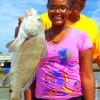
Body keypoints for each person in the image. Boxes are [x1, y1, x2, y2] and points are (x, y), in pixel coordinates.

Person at [34, 0, 95, 99]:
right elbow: (29, 76)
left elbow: (87, 77)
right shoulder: (36, 38)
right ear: (48, 9)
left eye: (62, 8)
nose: (57, 11)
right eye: (52, 7)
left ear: (69, 10)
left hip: (73, 97)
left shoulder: (81, 37)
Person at [40, 0, 100, 67]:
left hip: (80, 76)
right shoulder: (46, 19)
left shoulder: (92, 26)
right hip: (47, 76)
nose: (77, 1)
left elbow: (98, 55)